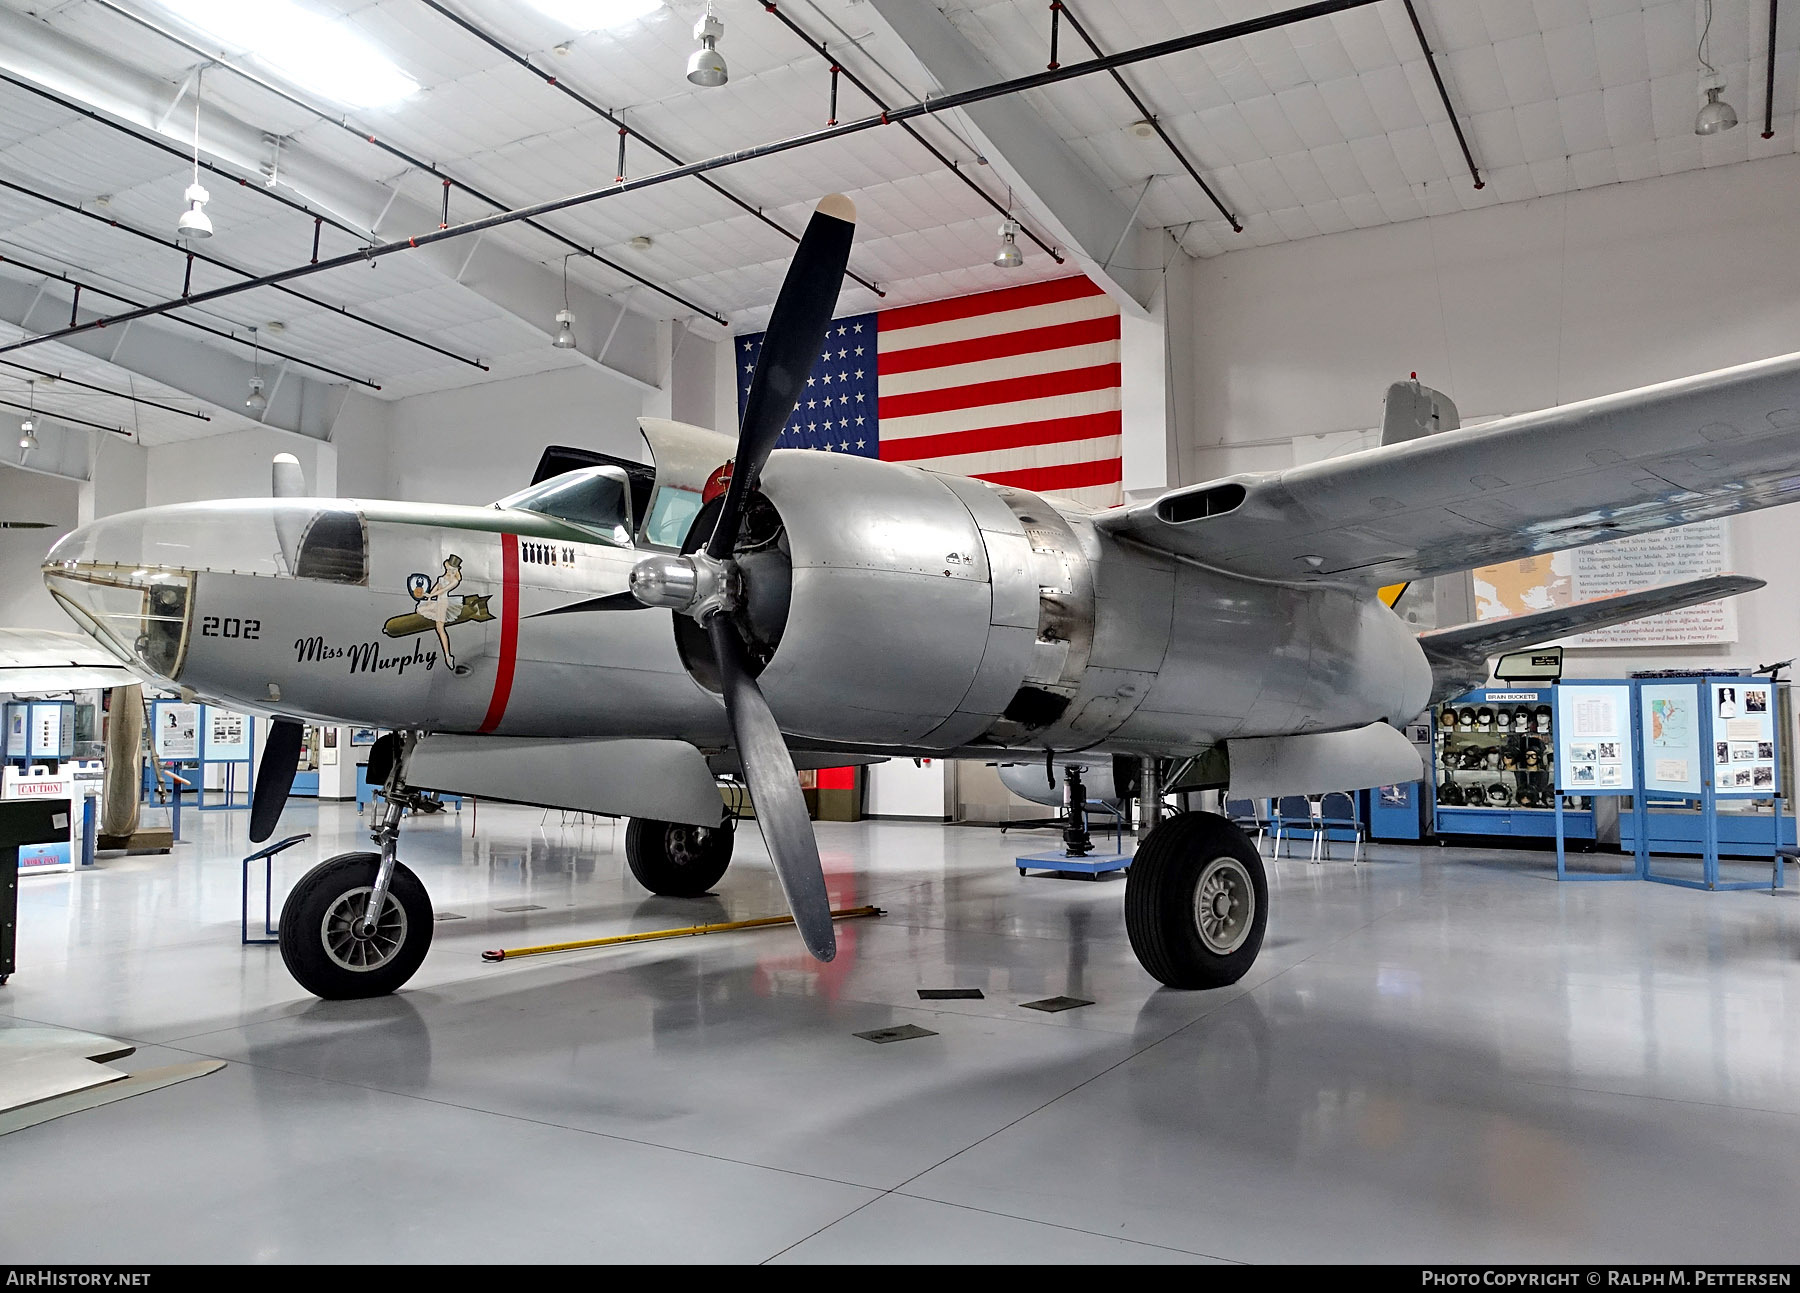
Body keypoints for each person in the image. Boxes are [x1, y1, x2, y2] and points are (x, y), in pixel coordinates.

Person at [414, 555, 467, 674]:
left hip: (443, 603)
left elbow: (442, 590)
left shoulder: (454, 581)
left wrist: (430, 596)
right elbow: (437, 586)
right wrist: (429, 597)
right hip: (438, 601)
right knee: (421, 610)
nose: (448, 570)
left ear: (455, 569)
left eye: (450, 568)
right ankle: (448, 656)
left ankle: (448, 655)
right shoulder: (445, 576)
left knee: (440, 628)